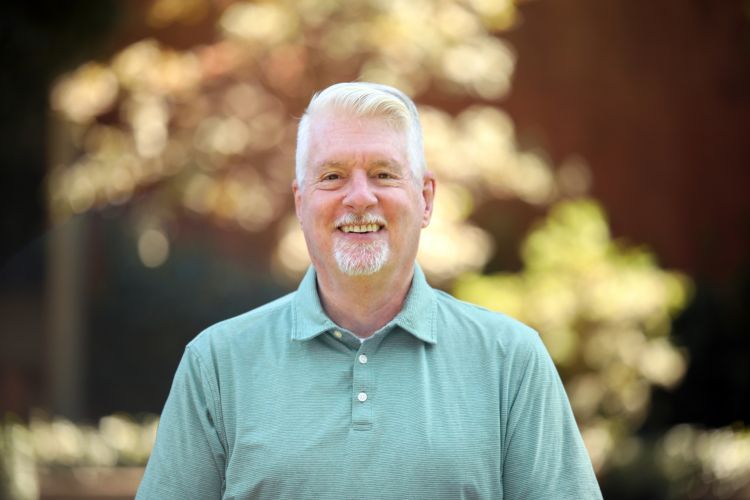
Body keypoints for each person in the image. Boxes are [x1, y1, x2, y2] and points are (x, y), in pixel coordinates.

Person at [136, 82, 603, 499]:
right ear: (301, 203)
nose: (359, 197)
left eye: (383, 173)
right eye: (333, 175)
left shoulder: (511, 362)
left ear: (425, 199)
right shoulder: (217, 365)